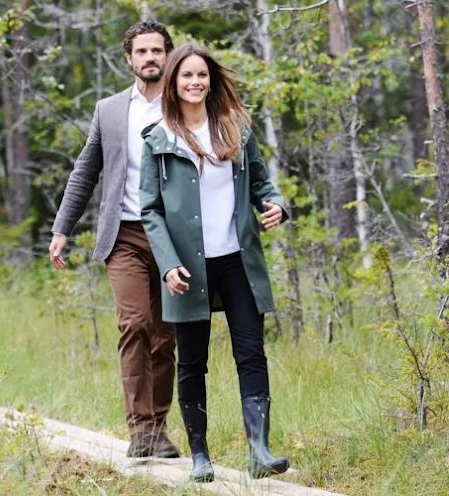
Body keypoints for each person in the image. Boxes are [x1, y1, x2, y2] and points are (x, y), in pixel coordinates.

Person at [139, 43, 289, 481]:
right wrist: (167, 264)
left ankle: (259, 450)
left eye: (201, 74)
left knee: (251, 353)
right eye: (186, 75)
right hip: (188, 267)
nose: (195, 82)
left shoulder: (236, 127)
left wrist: (275, 204)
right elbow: (150, 210)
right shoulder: (158, 138)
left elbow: (263, 182)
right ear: (173, 82)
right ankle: (200, 455)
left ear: (211, 79)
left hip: (238, 259)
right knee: (192, 361)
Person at [48, 20, 180, 459]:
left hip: (175, 239)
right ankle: (140, 429)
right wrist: (62, 229)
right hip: (123, 234)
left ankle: (158, 428)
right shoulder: (109, 110)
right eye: (141, 52)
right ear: (128, 59)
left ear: (168, 55)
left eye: (156, 51)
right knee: (134, 325)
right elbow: (85, 170)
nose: (149, 58)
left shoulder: (185, 104)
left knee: (164, 336)